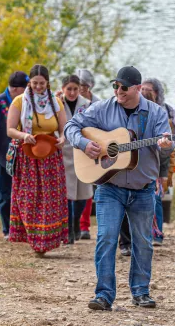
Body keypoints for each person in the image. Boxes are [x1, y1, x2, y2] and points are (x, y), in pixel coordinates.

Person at [64, 65, 173, 311]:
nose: (118, 91)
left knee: (143, 242)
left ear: (137, 88)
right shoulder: (102, 108)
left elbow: (165, 144)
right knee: (106, 238)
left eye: (124, 87)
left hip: (143, 187)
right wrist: (83, 144)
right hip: (109, 186)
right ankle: (103, 295)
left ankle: (141, 292)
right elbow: (70, 126)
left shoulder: (155, 112)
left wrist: (166, 144)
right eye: (115, 86)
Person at [6, 64, 68, 256]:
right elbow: (10, 129)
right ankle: (34, 239)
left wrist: (63, 138)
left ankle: (46, 240)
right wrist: (24, 136)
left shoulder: (56, 102)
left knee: (51, 198)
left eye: (42, 83)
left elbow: (64, 127)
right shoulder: (19, 101)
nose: (38, 87)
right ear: (29, 83)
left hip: (50, 154)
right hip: (28, 154)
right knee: (29, 197)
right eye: (35, 83)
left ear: (47, 82)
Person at [0, 71, 29, 238]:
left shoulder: (28, 101)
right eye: (26, 88)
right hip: (4, 156)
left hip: (26, 156)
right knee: (5, 194)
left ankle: (25, 227)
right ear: (16, 89)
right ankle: (7, 229)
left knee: (26, 193)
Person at [141, 78, 175, 246]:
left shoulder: (165, 114)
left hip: (157, 165)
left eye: (149, 91)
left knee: (156, 200)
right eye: (142, 89)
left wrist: (166, 173)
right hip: (136, 165)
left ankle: (157, 234)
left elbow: (169, 150)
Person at [60, 75, 93, 243]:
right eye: (69, 89)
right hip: (64, 152)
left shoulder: (86, 105)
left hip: (82, 151)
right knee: (67, 193)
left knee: (83, 193)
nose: (72, 92)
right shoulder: (57, 103)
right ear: (63, 88)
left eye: (75, 89)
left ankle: (76, 222)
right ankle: (68, 228)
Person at [76, 68, 100, 239]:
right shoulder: (71, 100)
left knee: (88, 187)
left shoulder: (98, 103)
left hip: (93, 146)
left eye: (84, 85)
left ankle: (85, 225)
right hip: (76, 145)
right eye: (79, 85)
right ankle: (74, 224)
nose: (82, 88)